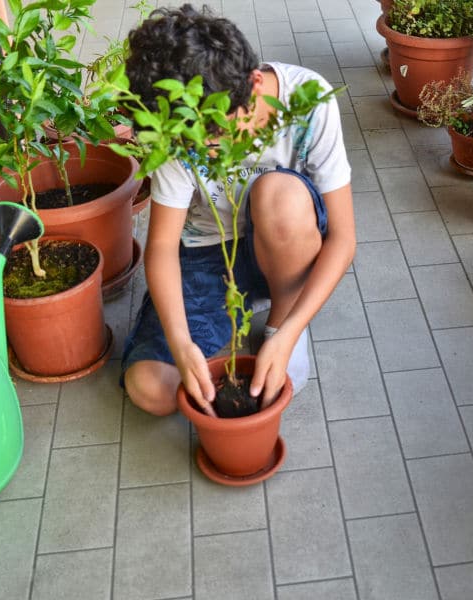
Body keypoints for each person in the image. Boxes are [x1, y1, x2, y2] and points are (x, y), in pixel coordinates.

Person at [120, 4, 355, 416]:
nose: (210, 149)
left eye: (217, 131)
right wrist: (180, 342)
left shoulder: (309, 101)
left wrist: (288, 334)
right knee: (151, 391)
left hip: (286, 242)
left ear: (254, 83)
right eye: (195, 139)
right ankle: (225, 321)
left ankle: (280, 322)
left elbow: (344, 238)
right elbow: (160, 246)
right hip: (207, 254)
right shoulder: (178, 125)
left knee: (277, 193)